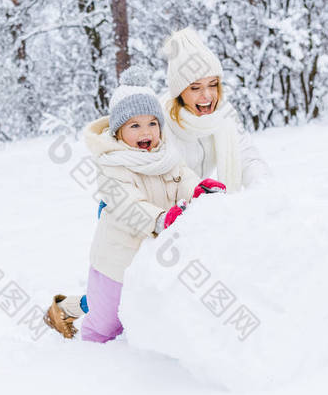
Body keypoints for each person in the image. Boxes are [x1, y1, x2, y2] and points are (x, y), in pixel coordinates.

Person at [43, 67, 225, 342]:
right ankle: (81, 343)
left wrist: (198, 190)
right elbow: (128, 204)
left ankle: (70, 306)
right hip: (117, 259)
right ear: (118, 131)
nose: (146, 132)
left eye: (152, 124)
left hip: (155, 253)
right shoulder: (112, 165)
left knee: (140, 304)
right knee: (107, 321)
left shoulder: (166, 156)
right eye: (135, 125)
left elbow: (182, 179)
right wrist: (160, 219)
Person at [159, 26, 270, 191]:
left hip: (198, 200)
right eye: (195, 88)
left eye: (213, 85)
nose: (208, 95)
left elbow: (247, 157)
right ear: (179, 93)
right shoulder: (158, 121)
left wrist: (264, 186)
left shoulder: (224, 114)